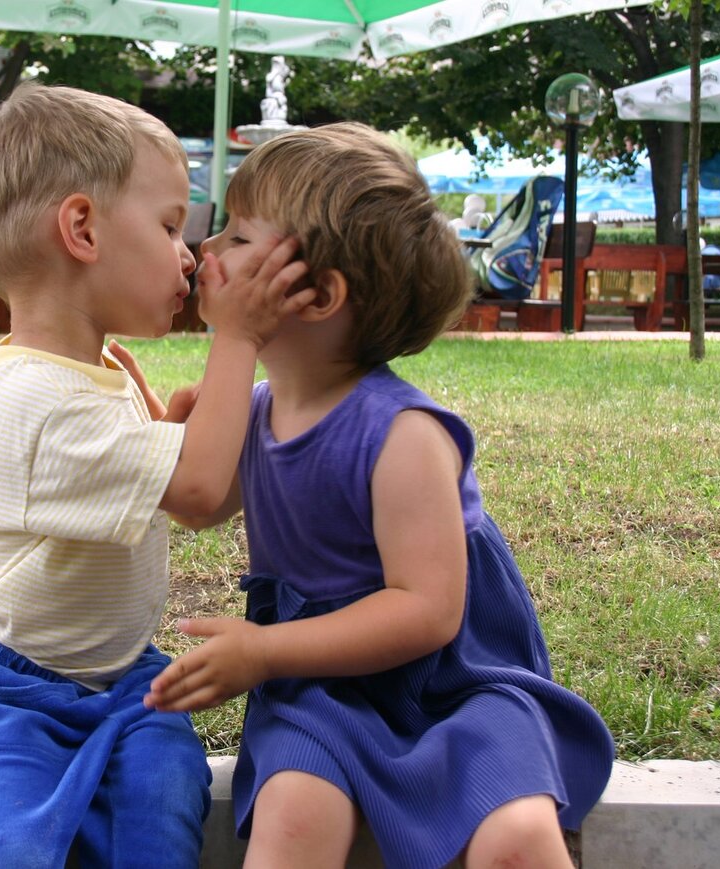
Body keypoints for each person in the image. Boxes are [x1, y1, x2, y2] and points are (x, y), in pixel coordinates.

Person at [144, 123, 615, 869]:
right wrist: (172, 438)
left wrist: (263, 649)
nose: (209, 251)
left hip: (452, 690)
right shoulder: (259, 408)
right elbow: (201, 503)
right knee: (295, 813)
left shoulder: (401, 435)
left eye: (238, 237)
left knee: (518, 836)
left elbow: (427, 612)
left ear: (320, 293)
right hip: (321, 691)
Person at [0, 83, 315, 869]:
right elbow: (201, 495)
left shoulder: (88, 370)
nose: (191, 253)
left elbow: (195, 487)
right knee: (8, 843)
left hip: (124, 671)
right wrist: (235, 339)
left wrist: (192, 428)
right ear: (82, 229)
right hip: (8, 686)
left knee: (164, 796)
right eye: (170, 225)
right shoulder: (40, 401)